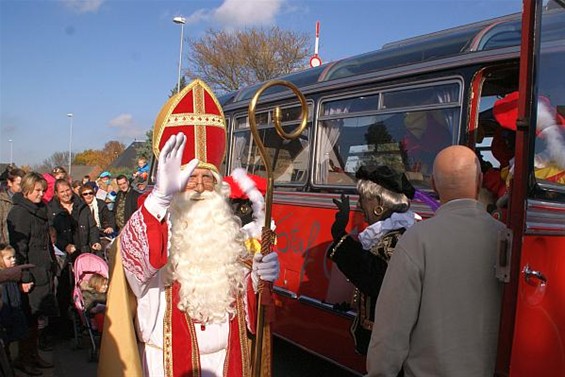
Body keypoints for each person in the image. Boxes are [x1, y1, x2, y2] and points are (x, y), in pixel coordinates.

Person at [99, 79, 280, 377]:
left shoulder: (228, 238)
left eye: (206, 179)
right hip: (165, 365)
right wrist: (159, 198)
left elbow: (251, 315)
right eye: (188, 179)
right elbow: (133, 268)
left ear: (218, 186)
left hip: (226, 362)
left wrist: (258, 279)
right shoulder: (152, 231)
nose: (198, 187)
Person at [366, 145, 506, 377]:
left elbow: (392, 328)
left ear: (433, 185)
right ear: (480, 180)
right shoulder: (505, 237)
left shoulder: (416, 239)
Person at [327, 165, 416, 355]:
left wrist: (339, 235)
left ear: (379, 205)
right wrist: (352, 304)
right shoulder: (389, 234)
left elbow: (375, 278)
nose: (359, 205)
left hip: (389, 346)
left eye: (363, 199)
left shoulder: (398, 238)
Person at [7, 172, 58, 375]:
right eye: (37, 190)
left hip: (44, 270)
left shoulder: (40, 209)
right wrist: (24, 278)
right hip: (31, 273)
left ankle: (33, 355)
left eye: (43, 190)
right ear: (27, 190)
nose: (41, 194)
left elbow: (45, 241)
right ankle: (23, 358)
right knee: (28, 319)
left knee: (37, 318)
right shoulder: (19, 213)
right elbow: (20, 248)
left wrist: (53, 263)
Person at [48, 179, 101, 338]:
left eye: (68, 190)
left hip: (83, 251)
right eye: (62, 191)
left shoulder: (82, 206)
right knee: (65, 290)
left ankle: (87, 323)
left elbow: (92, 227)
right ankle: (64, 328)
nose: (66, 194)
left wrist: (96, 241)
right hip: (64, 256)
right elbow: (52, 234)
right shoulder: (52, 210)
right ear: (57, 194)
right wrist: (65, 246)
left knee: (86, 289)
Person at [0, 244, 30, 370]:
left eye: (14, 257)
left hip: (15, 311)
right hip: (6, 316)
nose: (13, 260)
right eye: (9, 258)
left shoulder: (13, 275)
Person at [79, 185, 116, 256]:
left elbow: (109, 216)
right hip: (87, 236)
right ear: (81, 196)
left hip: (101, 233)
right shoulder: (80, 208)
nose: (88, 195)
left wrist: (111, 227)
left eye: (90, 193)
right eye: (85, 194)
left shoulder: (101, 204)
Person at [0, 168, 25, 244]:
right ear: (10, 183)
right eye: (19, 184)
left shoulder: (26, 201)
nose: (22, 188)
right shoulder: (2, 202)